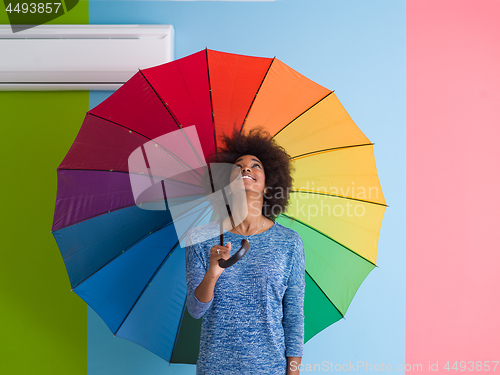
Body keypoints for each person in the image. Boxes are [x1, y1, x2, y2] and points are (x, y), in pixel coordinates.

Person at [185, 128, 305, 375]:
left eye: (255, 165)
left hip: (269, 370)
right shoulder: (199, 238)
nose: (246, 169)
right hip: (214, 369)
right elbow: (195, 311)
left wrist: (293, 373)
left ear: (270, 187)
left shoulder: (289, 242)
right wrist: (212, 274)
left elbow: (293, 317)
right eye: (237, 166)